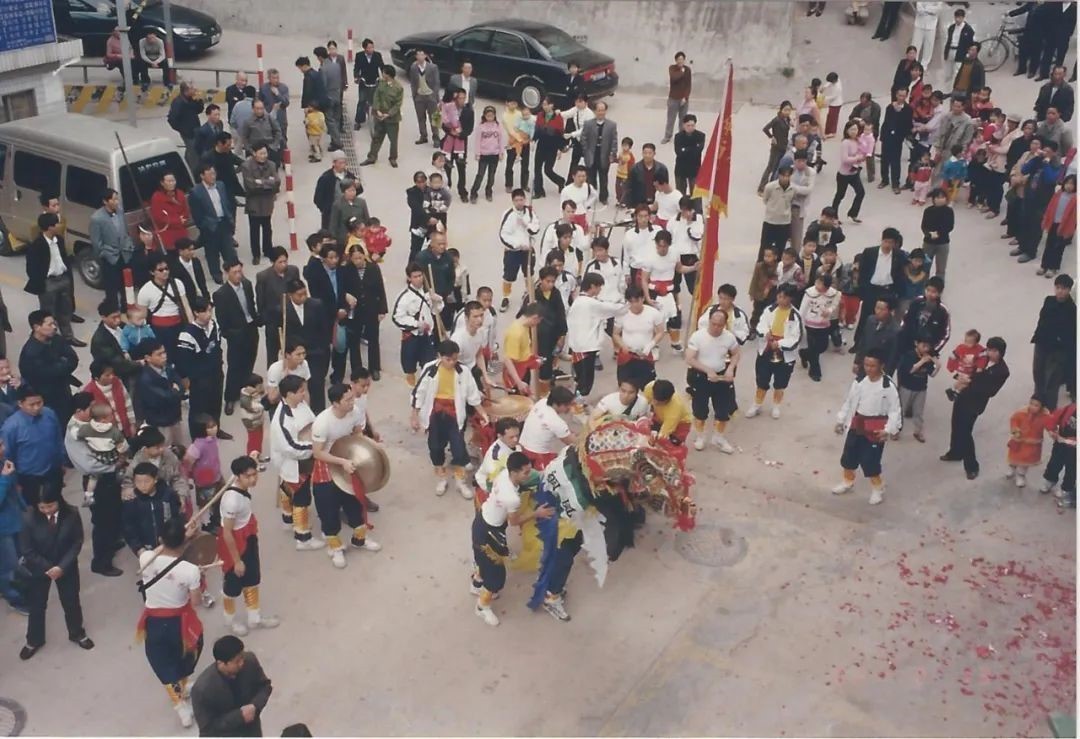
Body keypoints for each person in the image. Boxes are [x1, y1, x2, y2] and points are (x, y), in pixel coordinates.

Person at [135, 516, 203, 729]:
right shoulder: (190, 570)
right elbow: (195, 601)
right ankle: (182, 693)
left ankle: (181, 706)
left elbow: (158, 550)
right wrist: (199, 578)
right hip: (178, 623)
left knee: (163, 662)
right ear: (183, 542)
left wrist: (178, 539)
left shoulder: (145, 558)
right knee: (182, 657)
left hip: (153, 622)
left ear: (160, 538)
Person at [470, 450, 550, 627]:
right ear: (514, 472)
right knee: (496, 577)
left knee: (482, 562)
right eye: (526, 472)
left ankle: (476, 583)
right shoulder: (512, 498)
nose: (529, 475)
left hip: (481, 520)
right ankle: (482, 606)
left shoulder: (504, 474)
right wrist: (536, 513)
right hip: (489, 533)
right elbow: (514, 522)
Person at [19, 482, 94, 657]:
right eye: (42, 507)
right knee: (37, 606)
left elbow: (77, 542)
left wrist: (61, 566)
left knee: (71, 601)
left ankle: (77, 633)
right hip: (39, 568)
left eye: (50, 506)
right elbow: (27, 550)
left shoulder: (72, 514)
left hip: (65, 566)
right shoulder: (28, 518)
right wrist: (48, 567)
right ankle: (34, 640)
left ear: (59, 501)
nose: (46, 510)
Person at [311, 384, 382, 568]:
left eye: (352, 397)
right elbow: (317, 453)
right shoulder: (322, 422)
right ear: (335, 403)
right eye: (348, 400)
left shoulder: (355, 411)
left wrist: (372, 447)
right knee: (329, 509)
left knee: (355, 502)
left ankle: (360, 539)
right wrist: (340, 462)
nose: (352, 402)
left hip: (349, 461)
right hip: (327, 465)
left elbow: (357, 433)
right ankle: (335, 548)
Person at [410, 341, 488, 498]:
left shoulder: (463, 372)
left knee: (458, 449)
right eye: (448, 359)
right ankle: (442, 477)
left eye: (454, 359)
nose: (452, 363)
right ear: (439, 356)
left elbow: (473, 394)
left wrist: (483, 413)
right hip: (435, 414)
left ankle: (460, 481)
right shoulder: (430, 370)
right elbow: (419, 392)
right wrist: (414, 415)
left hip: (454, 414)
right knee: (435, 448)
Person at [217, 455, 281, 635]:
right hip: (235, 543)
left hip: (248, 537)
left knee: (252, 579)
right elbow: (227, 532)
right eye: (248, 476)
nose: (253, 479)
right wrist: (236, 560)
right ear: (238, 476)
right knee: (232, 587)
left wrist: (251, 457)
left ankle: (255, 618)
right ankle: (230, 622)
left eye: (254, 474)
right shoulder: (231, 500)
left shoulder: (241, 484)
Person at [832, 349, 903, 505]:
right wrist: (841, 419)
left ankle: (878, 488)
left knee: (870, 461)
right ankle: (847, 481)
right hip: (857, 423)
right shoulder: (859, 382)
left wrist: (889, 430)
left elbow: (895, 410)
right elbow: (849, 402)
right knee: (849, 456)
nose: (869, 369)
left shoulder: (888, 386)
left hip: (875, 427)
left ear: (881, 366)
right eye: (866, 365)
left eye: (872, 366)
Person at [941, 336, 1010, 480]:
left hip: (974, 403)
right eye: (989, 349)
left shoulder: (1002, 371)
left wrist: (970, 382)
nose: (990, 353)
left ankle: (972, 466)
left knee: (965, 432)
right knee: (955, 424)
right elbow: (964, 365)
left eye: (994, 351)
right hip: (962, 396)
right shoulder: (980, 358)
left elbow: (991, 391)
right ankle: (955, 452)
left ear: (1001, 352)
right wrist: (960, 376)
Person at [191, 635, 273, 737]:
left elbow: (264, 686)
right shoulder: (202, 689)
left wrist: (254, 705)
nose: (242, 663)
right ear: (221, 663)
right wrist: (239, 716)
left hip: (252, 731)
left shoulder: (250, 661)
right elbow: (207, 729)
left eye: (242, 657)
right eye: (237, 661)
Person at [686, 308, 740, 453]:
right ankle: (700, 436)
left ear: (724, 324)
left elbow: (735, 353)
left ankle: (719, 437)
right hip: (701, 377)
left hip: (721, 377)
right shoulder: (698, 337)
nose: (716, 328)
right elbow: (689, 358)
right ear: (709, 321)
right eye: (713, 324)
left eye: (719, 325)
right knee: (700, 409)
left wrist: (730, 369)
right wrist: (707, 370)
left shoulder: (729, 337)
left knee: (723, 410)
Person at [566, 273, 627, 403]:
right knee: (586, 379)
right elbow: (614, 309)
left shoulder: (578, 301)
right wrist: (627, 304)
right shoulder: (591, 304)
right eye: (599, 288)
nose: (600, 291)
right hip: (587, 346)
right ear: (592, 286)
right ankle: (578, 403)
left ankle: (578, 398)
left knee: (580, 376)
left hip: (577, 345)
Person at [175, 296, 228, 441]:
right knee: (199, 409)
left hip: (216, 373)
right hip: (200, 379)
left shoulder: (214, 326)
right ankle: (198, 438)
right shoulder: (187, 335)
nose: (208, 314)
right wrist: (188, 379)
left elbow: (217, 347)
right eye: (204, 311)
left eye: (210, 310)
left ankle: (215, 429)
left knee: (215, 404)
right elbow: (183, 361)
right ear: (196, 313)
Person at [747, 284, 804, 419]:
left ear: (791, 299)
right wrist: (765, 333)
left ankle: (776, 405)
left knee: (780, 382)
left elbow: (796, 337)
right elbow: (761, 324)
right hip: (766, 349)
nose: (780, 299)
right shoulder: (769, 310)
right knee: (762, 379)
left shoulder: (795, 316)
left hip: (783, 353)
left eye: (784, 297)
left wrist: (779, 344)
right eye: (779, 296)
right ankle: (757, 403)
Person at [24, 213, 80, 346]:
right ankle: (52, 341)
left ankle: (68, 337)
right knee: (49, 315)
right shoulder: (36, 245)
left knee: (65, 311)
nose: (60, 226)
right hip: (48, 283)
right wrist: (41, 281)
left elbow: (64, 257)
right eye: (57, 224)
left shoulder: (59, 240)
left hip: (62, 279)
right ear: (50, 227)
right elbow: (31, 268)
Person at [214, 260, 261, 416]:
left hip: (251, 329)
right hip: (236, 334)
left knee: (249, 362)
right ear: (227, 273)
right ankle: (230, 397)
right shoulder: (221, 294)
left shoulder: (247, 285)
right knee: (235, 366)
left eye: (240, 271)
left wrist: (256, 320)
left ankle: (245, 390)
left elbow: (251, 305)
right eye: (235, 272)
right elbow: (222, 320)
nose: (238, 275)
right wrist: (232, 334)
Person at [18, 310, 79, 426]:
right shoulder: (30, 353)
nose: (54, 327)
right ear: (37, 327)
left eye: (54, 323)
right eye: (49, 324)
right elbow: (43, 375)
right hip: (48, 399)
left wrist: (58, 367)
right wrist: (61, 364)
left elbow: (73, 359)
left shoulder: (57, 339)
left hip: (64, 390)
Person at [341, 244, 388, 380]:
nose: (358, 261)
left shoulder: (373, 268)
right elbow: (342, 288)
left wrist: (382, 309)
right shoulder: (346, 270)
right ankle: (357, 369)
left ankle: (374, 368)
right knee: (354, 340)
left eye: (360, 258)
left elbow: (380, 289)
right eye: (355, 259)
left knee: (373, 339)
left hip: (371, 309)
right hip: (354, 311)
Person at [1031, 274, 1076, 411]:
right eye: (1057, 288)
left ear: (1069, 290)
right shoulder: (1049, 301)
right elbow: (1042, 319)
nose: (1060, 291)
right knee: (1038, 372)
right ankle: (1037, 402)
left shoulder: (1072, 309)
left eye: (1063, 288)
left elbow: (1071, 332)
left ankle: (1050, 409)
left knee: (1051, 379)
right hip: (1042, 343)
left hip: (1057, 349)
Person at [188, 164, 238, 285]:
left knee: (229, 250)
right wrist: (205, 225)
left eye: (214, 173)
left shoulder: (220, 185)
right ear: (202, 176)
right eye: (209, 174)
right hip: (209, 227)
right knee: (212, 252)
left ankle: (233, 270)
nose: (213, 176)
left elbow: (226, 203)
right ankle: (216, 274)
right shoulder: (196, 192)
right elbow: (197, 214)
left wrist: (229, 218)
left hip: (224, 223)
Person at [134, 341, 187, 450]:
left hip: (175, 416)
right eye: (159, 354)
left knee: (180, 446)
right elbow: (161, 398)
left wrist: (176, 391)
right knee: (164, 448)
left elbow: (181, 385)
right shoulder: (145, 379)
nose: (164, 356)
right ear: (148, 358)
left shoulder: (168, 368)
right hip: (160, 421)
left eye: (164, 352)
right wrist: (175, 391)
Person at [392, 263, 439, 386]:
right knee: (410, 367)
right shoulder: (404, 297)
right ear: (409, 278)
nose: (419, 279)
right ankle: (413, 391)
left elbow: (436, 311)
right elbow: (397, 318)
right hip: (412, 337)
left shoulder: (429, 293)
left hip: (428, 336)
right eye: (415, 276)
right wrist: (416, 324)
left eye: (420, 275)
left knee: (430, 366)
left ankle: (427, 389)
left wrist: (437, 301)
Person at [90, 188, 136, 310]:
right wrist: (104, 253)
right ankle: (113, 307)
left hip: (124, 253)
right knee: (111, 285)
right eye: (114, 199)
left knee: (126, 282)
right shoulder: (97, 218)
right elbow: (96, 241)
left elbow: (125, 230)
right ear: (106, 201)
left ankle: (127, 305)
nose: (117, 201)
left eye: (117, 198)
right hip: (110, 256)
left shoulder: (120, 211)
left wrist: (129, 244)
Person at [497, 189, 541, 313]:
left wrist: (526, 224)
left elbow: (536, 228)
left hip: (528, 250)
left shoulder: (530, 212)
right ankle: (506, 297)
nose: (519, 202)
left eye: (521, 199)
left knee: (529, 273)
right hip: (513, 251)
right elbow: (503, 235)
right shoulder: (508, 214)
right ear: (513, 201)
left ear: (525, 199)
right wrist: (517, 245)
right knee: (509, 275)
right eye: (516, 200)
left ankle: (529, 295)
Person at [239, 145, 279, 265]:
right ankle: (255, 254)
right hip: (254, 202)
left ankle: (267, 249)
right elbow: (250, 186)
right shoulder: (246, 166)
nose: (264, 156)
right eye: (261, 153)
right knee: (254, 229)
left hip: (267, 201)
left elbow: (276, 182)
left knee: (267, 227)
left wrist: (260, 182)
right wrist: (268, 183)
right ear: (254, 153)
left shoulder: (271, 164)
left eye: (265, 153)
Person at [520, 386, 576, 470]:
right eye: (567, 405)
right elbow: (574, 443)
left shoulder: (541, 402)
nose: (569, 407)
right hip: (537, 457)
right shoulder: (557, 422)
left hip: (522, 446)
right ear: (557, 404)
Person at [799, 274, 841, 382]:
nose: (818, 285)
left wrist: (830, 310)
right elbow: (803, 308)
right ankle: (815, 371)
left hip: (824, 324)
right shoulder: (810, 292)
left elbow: (836, 302)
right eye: (817, 282)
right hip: (810, 324)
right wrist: (799, 323)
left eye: (821, 283)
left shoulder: (834, 293)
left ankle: (804, 353)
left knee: (822, 346)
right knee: (814, 349)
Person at [898, 275, 951, 356]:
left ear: (940, 293)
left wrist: (933, 350)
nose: (930, 294)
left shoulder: (943, 311)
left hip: (927, 351)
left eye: (933, 292)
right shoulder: (916, 301)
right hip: (908, 345)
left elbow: (946, 335)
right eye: (928, 290)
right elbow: (905, 319)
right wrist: (903, 336)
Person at [362, 65, 404, 168]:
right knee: (376, 137)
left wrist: (389, 114)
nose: (382, 74)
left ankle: (393, 158)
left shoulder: (398, 87)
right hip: (380, 116)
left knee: (393, 140)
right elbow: (376, 96)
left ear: (388, 74)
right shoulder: (381, 83)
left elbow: (398, 104)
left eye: (384, 72)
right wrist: (377, 110)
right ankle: (372, 156)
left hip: (391, 118)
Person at [0, 440, 24, 614]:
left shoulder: (3, 462)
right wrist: (4, 479)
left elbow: (14, 492)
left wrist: (25, 509)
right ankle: (13, 597)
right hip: (3, 530)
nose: (3, 449)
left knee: (18, 560)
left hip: (14, 520)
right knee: (8, 566)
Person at [579, 101, 618, 205]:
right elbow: (583, 138)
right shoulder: (588, 124)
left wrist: (612, 154)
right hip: (592, 154)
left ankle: (603, 197)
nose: (601, 112)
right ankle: (591, 195)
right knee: (590, 177)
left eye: (603, 110)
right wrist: (586, 150)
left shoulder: (611, 125)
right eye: (599, 110)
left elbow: (614, 140)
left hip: (604, 155)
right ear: (595, 111)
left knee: (603, 177)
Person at [1040, 400, 1077, 508]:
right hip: (1060, 444)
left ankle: (1066, 488)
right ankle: (1050, 479)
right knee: (1054, 463)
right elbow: (1053, 418)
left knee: (1072, 469)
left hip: (1075, 449)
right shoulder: (1069, 408)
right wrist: (1051, 430)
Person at [1039, 174, 1076, 278]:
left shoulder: (1075, 199)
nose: (1069, 186)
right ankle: (1044, 265)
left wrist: (1069, 230)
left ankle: (1053, 267)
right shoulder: (1058, 194)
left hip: (1064, 227)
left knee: (1058, 248)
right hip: (1053, 223)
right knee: (1049, 245)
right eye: (1068, 183)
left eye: (1072, 184)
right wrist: (1046, 220)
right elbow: (1050, 207)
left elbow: (1073, 218)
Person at [1006, 396, 1048, 488]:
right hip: (1019, 441)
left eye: (1036, 405)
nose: (1032, 407)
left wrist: (1053, 431)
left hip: (1033, 443)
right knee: (1014, 456)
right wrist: (1015, 430)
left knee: (1026, 461)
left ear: (1042, 407)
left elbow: (1049, 425)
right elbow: (1014, 420)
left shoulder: (1045, 416)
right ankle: (1012, 467)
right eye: (1031, 403)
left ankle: (1021, 475)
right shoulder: (1021, 413)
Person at [759, 166, 800, 260]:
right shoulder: (770, 187)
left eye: (788, 176)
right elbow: (765, 200)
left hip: (784, 222)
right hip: (770, 221)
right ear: (779, 175)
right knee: (765, 246)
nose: (785, 178)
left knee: (780, 247)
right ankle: (761, 267)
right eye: (783, 176)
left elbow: (792, 201)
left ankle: (777, 268)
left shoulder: (793, 189)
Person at [831, 120, 867, 223]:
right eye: (851, 129)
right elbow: (845, 159)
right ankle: (833, 215)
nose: (854, 132)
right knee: (840, 195)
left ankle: (853, 213)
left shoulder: (858, 141)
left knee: (861, 192)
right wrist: (857, 158)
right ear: (846, 131)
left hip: (854, 173)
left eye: (855, 129)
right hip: (844, 174)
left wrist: (863, 157)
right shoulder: (845, 143)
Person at [878, 88, 913, 194]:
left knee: (895, 161)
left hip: (898, 138)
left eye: (904, 96)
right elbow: (886, 122)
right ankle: (884, 180)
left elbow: (907, 124)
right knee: (884, 159)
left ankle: (895, 183)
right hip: (887, 137)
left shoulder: (908, 109)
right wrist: (883, 136)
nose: (901, 98)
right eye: (900, 95)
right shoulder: (890, 107)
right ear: (896, 95)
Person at [313, 153, 357, 231]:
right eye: (340, 163)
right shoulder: (325, 178)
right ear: (334, 163)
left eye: (344, 163)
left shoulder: (350, 176)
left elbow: (358, 191)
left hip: (348, 213)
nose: (343, 165)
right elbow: (318, 198)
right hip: (331, 214)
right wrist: (326, 209)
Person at [533, 97, 567, 198]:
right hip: (541, 145)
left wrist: (561, 148)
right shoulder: (540, 115)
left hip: (552, 148)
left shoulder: (558, 118)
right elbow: (537, 130)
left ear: (551, 105)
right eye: (543, 104)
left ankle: (560, 181)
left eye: (546, 104)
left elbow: (560, 135)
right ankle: (539, 191)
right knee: (537, 169)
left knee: (548, 170)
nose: (544, 106)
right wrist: (533, 139)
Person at [167, 82, 205, 172]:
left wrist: (199, 101)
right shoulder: (178, 102)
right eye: (192, 89)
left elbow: (198, 110)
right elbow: (172, 119)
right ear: (186, 91)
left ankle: (184, 166)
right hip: (187, 132)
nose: (194, 90)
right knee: (194, 152)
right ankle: (193, 172)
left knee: (192, 150)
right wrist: (182, 129)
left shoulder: (191, 99)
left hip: (196, 128)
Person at [758, 101, 793, 195]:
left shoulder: (787, 119)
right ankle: (761, 188)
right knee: (770, 167)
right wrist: (771, 136)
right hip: (776, 148)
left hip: (783, 147)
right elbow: (765, 128)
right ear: (781, 110)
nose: (787, 112)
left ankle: (771, 186)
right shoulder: (777, 120)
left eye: (789, 110)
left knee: (777, 168)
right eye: (785, 110)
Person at [407, 49, 440, 145]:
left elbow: (437, 82)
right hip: (419, 96)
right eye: (418, 55)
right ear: (416, 57)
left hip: (431, 96)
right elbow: (413, 82)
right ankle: (423, 135)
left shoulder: (433, 67)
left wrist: (434, 95)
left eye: (422, 54)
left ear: (425, 56)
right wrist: (414, 94)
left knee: (435, 118)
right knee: (421, 117)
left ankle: (436, 137)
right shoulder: (413, 67)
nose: (420, 57)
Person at [352, 38, 384, 129]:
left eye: (372, 47)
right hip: (364, 81)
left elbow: (382, 67)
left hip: (375, 80)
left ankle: (377, 120)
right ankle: (358, 121)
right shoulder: (359, 56)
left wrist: (385, 77)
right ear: (365, 48)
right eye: (369, 48)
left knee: (376, 102)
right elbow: (356, 68)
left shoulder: (377, 55)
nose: (371, 49)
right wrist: (356, 77)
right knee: (362, 101)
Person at [627, 143, 670, 209]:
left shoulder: (661, 168)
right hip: (639, 203)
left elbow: (665, 187)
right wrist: (630, 205)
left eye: (650, 153)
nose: (647, 155)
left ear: (654, 153)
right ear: (642, 153)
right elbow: (629, 187)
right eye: (645, 153)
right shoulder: (635, 168)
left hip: (656, 202)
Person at [662, 52, 692, 144]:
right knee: (671, 119)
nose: (680, 61)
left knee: (683, 119)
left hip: (683, 99)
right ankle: (667, 136)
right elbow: (674, 78)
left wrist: (685, 97)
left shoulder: (687, 70)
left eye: (682, 59)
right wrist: (681, 71)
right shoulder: (672, 68)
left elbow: (688, 84)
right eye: (679, 59)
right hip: (673, 98)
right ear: (676, 60)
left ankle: (681, 136)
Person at [941, 7, 975, 87]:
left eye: (959, 18)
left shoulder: (968, 29)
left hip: (960, 52)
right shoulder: (951, 27)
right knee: (948, 72)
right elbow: (948, 40)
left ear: (963, 18)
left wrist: (967, 54)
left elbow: (970, 43)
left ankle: (955, 88)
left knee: (957, 72)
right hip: (950, 51)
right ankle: (946, 87)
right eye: (956, 17)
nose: (957, 20)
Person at [258, 69, 291, 146]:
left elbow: (286, 103)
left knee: (283, 139)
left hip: (281, 119)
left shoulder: (284, 88)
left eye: (277, 78)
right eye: (274, 78)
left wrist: (278, 94)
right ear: (269, 78)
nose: (276, 80)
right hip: (267, 119)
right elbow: (259, 103)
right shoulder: (263, 88)